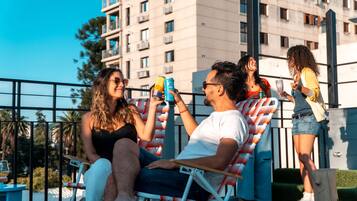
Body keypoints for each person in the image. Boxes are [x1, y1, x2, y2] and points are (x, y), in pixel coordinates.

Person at [132, 61, 249, 200]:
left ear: (219, 89)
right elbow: (196, 135)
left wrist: (174, 163)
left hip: (194, 183)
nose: (203, 89)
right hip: (182, 172)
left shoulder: (233, 120)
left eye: (205, 85)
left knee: (138, 175)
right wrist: (180, 103)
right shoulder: (218, 116)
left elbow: (220, 161)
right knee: (130, 149)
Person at [80, 67, 162, 201]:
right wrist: (111, 170)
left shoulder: (130, 111)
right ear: (103, 84)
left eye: (124, 81)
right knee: (104, 169)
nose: (122, 85)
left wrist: (152, 107)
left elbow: (146, 136)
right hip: (101, 170)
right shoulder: (88, 119)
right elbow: (91, 154)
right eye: (117, 81)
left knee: (113, 181)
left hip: (128, 168)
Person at [279, 45, 326, 201]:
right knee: (301, 158)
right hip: (298, 118)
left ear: (298, 57)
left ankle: (320, 189)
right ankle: (308, 194)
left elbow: (314, 93)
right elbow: (300, 100)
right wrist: (287, 95)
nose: (289, 61)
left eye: (291, 57)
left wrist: (300, 87)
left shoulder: (307, 72)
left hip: (308, 117)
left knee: (305, 157)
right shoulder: (297, 75)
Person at [235, 55, 272, 201]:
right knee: (246, 159)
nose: (254, 62)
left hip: (263, 123)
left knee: (263, 158)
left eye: (254, 60)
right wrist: (248, 102)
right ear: (244, 65)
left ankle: (264, 198)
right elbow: (234, 103)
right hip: (246, 122)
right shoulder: (238, 84)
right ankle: (245, 197)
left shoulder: (263, 83)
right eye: (251, 60)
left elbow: (269, 101)